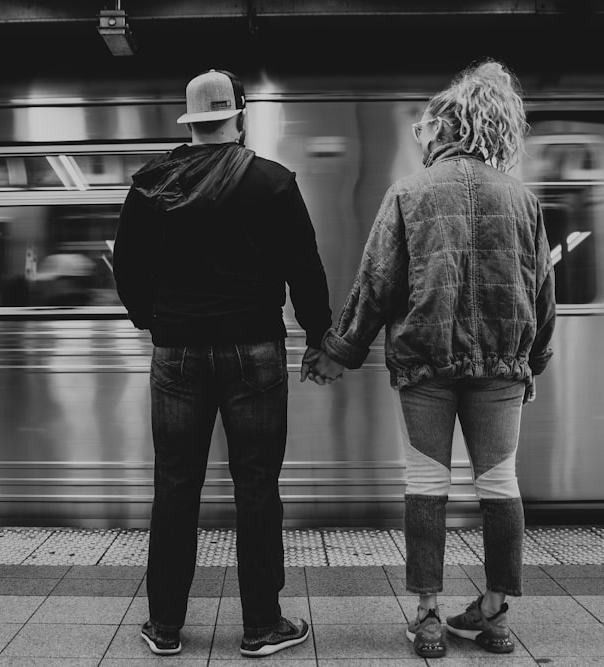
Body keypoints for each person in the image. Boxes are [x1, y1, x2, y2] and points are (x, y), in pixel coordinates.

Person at [307, 59, 556, 658]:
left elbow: (377, 285)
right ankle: (494, 616)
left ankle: (425, 618)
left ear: (447, 130)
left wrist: (338, 351)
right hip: (501, 365)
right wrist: (534, 361)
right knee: (500, 484)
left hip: (426, 365)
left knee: (426, 484)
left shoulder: (409, 194)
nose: (423, 140)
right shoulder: (523, 201)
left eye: (426, 130)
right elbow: (543, 292)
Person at [113, 69, 331, 658]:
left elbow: (125, 267)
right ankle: (262, 626)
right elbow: (305, 267)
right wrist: (318, 335)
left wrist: (154, 321)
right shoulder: (273, 182)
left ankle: (164, 627)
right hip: (253, 350)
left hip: (176, 353)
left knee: (176, 485)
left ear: (190, 120)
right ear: (240, 114)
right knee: (257, 487)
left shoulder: (152, 185)